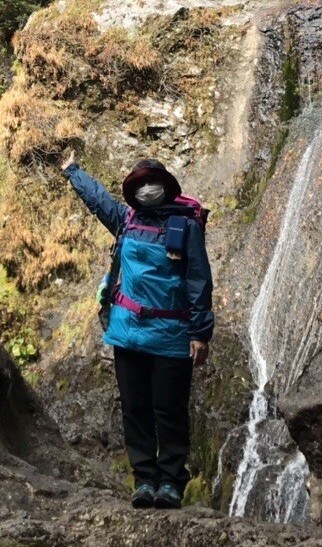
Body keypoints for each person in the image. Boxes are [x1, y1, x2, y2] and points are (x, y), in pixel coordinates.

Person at [60, 150, 214, 510]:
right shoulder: (126, 219)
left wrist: (200, 332)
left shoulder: (186, 226)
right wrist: (73, 170)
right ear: (133, 189)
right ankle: (144, 480)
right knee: (135, 408)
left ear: (166, 187)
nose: (148, 189)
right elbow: (98, 200)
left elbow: (198, 280)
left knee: (169, 410)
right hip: (127, 333)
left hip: (172, 335)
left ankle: (171, 482)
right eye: (141, 183)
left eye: (153, 183)